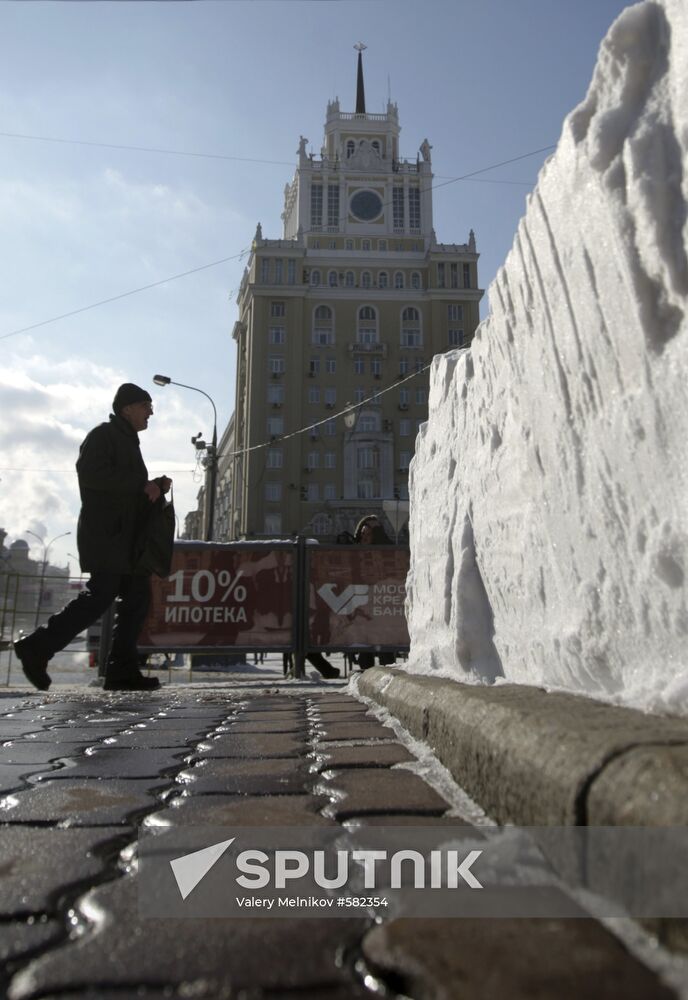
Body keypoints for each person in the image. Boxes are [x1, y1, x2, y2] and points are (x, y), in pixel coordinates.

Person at [14, 383, 173, 692]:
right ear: (127, 408)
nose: (151, 412)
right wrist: (142, 486)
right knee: (100, 596)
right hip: (107, 538)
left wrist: (155, 486)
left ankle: (120, 671)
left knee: (137, 599)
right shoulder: (103, 435)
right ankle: (36, 647)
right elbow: (92, 476)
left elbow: (126, 492)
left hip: (125, 541)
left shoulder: (127, 441)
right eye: (146, 405)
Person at [353, 514, 396, 671]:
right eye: (363, 532)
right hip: (363, 602)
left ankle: (388, 677)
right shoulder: (354, 552)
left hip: (382, 601)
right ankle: (367, 675)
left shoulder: (388, 551)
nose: (365, 536)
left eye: (370, 532)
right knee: (365, 645)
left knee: (385, 644)